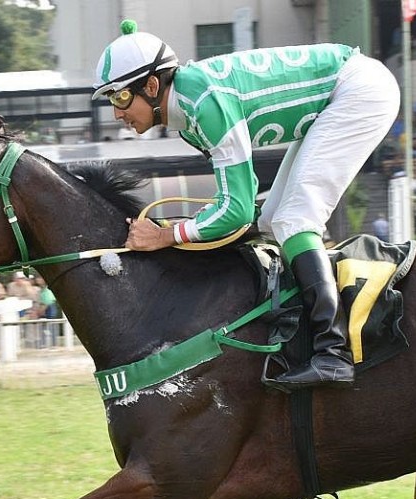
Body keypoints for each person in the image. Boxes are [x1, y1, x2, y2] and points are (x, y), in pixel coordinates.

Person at [95, 20, 399, 390]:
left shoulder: (203, 105)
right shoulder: (189, 112)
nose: (117, 113)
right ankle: (301, 327)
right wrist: (182, 230)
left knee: (294, 219)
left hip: (358, 91)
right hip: (343, 91)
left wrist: (167, 236)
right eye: (111, 99)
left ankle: (333, 352)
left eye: (121, 97)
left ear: (152, 85)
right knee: (273, 218)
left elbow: (235, 210)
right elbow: (241, 201)